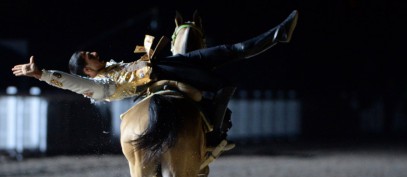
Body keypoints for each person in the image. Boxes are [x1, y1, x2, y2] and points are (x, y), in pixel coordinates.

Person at [12, 10, 299, 149]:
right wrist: (42, 74)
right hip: (165, 72)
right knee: (224, 73)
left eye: (89, 51)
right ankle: (214, 135)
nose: (94, 52)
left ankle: (277, 35)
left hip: (166, 65)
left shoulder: (111, 67)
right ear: (87, 71)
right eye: (89, 55)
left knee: (227, 53)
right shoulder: (95, 85)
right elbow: (72, 83)